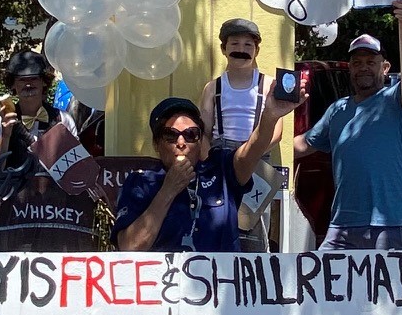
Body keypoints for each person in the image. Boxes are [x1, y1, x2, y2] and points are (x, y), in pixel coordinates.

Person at [289, 0, 402, 250]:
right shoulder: (337, 110)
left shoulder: (399, 99)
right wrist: (259, 143)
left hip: (391, 224)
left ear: (385, 68)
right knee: (322, 285)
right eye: (356, 62)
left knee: (386, 291)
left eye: (370, 61)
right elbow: (301, 146)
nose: (363, 67)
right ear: (350, 69)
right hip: (342, 226)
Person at [115, 89, 296, 253]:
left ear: (200, 141)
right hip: (165, 286)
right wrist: (168, 190)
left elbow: (251, 151)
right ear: (157, 144)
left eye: (190, 134)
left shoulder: (221, 170)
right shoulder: (140, 183)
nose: (181, 142)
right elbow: (130, 247)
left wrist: (270, 115)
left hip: (220, 286)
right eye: (171, 135)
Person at [198, 18, 274, 147]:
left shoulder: (269, 85)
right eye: (234, 44)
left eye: (248, 45)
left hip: (258, 154)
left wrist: (249, 154)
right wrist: (209, 161)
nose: (241, 50)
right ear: (223, 49)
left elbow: (276, 133)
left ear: (257, 51)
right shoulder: (212, 87)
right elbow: (204, 133)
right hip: (220, 154)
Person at [0, 50, 69, 154]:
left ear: (44, 82)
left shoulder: (64, 119)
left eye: (33, 79)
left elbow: (76, 166)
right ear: (13, 84)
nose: (28, 84)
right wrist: (5, 135)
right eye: (22, 80)